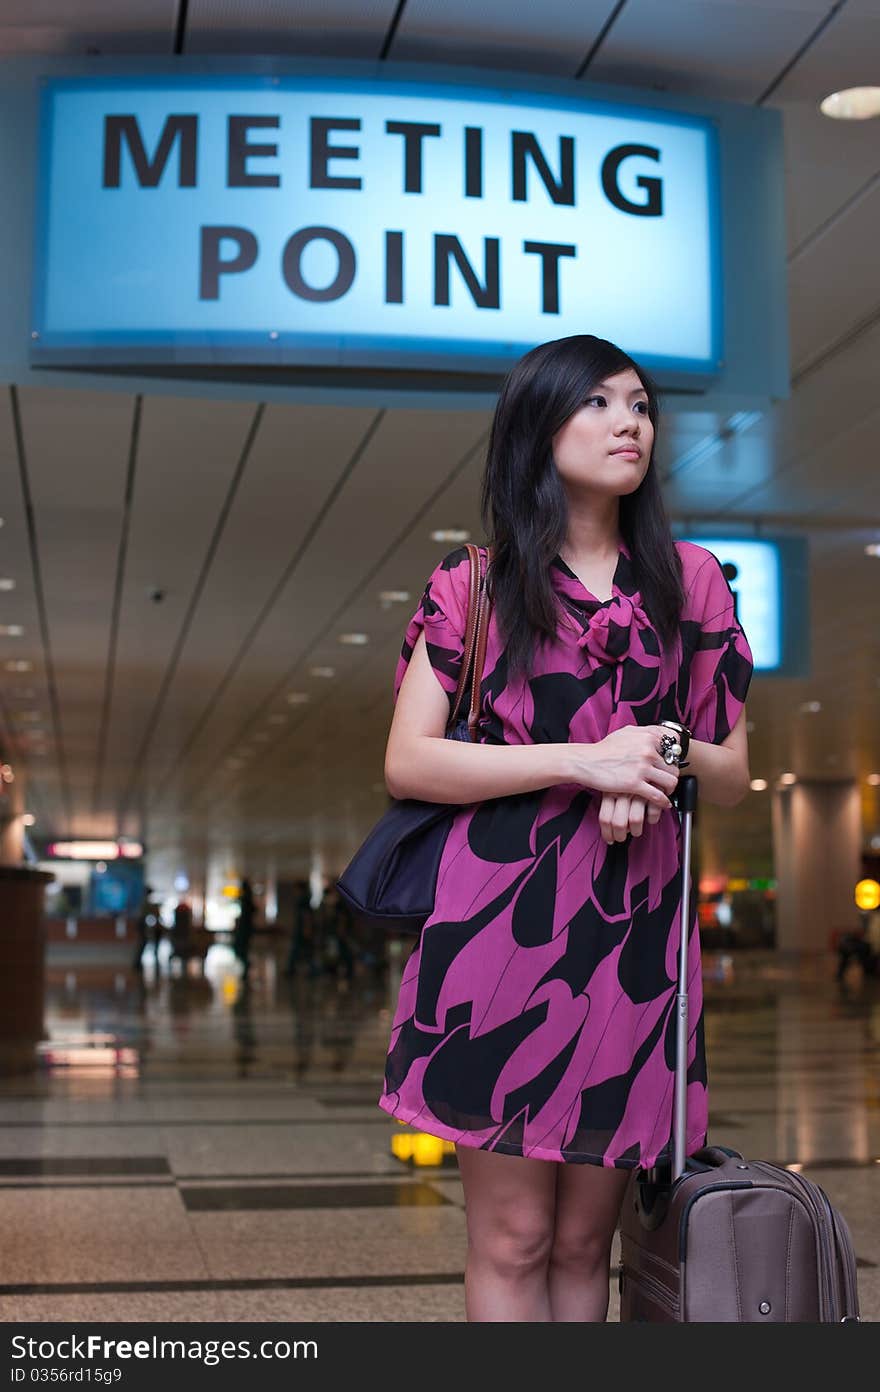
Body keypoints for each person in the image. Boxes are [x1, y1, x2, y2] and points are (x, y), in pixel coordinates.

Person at [379, 334, 754, 1322]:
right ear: (536, 431)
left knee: (589, 1243)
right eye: (595, 403)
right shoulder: (475, 584)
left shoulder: (693, 583)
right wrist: (583, 763)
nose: (628, 421)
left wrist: (657, 749)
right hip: (498, 933)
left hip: (637, 946)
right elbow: (409, 760)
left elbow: (733, 773)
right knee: (514, 1239)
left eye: (638, 404)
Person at [232, 878, 256, 984]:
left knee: (241, 949)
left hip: (244, 930)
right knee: (242, 949)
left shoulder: (245, 900)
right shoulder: (247, 900)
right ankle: (246, 968)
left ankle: (246, 968)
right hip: (246, 930)